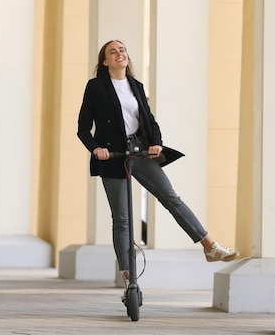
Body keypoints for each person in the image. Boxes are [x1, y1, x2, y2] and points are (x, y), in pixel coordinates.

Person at [77, 40, 240, 283]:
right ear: (105, 61)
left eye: (122, 50)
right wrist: (96, 149)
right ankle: (128, 274)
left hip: (140, 152)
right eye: (113, 52)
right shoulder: (96, 87)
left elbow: (149, 121)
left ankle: (209, 246)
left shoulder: (136, 86)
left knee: (172, 199)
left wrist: (156, 142)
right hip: (112, 156)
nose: (119, 53)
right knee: (121, 218)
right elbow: (82, 128)